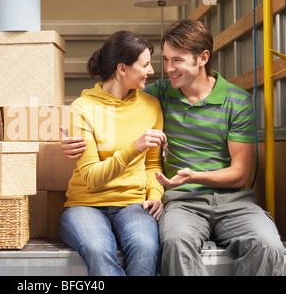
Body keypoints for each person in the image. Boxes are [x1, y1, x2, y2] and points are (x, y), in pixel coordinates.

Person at [61, 19, 284, 276]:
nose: (166, 69)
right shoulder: (157, 96)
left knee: (267, 245)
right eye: (165, 60)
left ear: (203, 58)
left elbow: (241, 173)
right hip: (181, 202)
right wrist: (68, 143)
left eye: (176, 60)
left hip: (233, 201)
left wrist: (194, 176)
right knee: (175, 244)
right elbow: (112, 100)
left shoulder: (237, 101)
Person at [59, 31, 166, 276]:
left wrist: (156, 194)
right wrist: (134, 148)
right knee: (98, 249)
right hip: (85, 205)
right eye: (145, 64)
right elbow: (92, 178)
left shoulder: (151, 106)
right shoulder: (83, 108)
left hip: (132, 204)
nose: (151, 71)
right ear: (122, 69)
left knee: (145, 246)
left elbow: (152, 166)